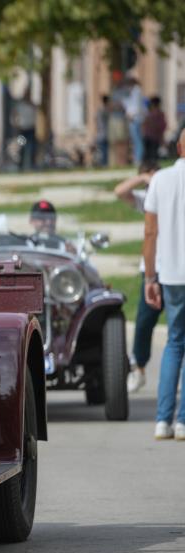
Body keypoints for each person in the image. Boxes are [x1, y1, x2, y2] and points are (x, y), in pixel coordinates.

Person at [143, 128, 185, 440]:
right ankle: (182, 421)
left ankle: (162, 420)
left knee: (174, 343)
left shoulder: (160, 179)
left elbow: (150, 233)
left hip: (170, 274)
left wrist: (149, 277)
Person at [116, 161, 161, 392]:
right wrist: (143, 179)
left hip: (174, 266)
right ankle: (139, 367)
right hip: (152, 267)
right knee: (144, 321)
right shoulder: (145, 199)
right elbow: (119, 192)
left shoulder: (172, 193)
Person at [11, 93, 37, 171]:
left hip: (31, 129)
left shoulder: (32, 105)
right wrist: (16, 126)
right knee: (21, 146)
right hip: (22, 129)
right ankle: (21, 165)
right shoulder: (19, 106)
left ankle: (32, 164)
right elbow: (14, 115)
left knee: (32, 147)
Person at [123, 78, 146, 165]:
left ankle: (138, 159)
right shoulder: (134, 91)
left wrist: (131, 115)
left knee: (137, 140)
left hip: (135, 119)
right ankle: (137, 158)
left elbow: (136, 106)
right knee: (136, 140)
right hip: (134, 118)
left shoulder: (136, 91)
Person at [142, 96, 167, 163]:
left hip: (150, 137)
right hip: (154, 137)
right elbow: (163, 126)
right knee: (153, 155)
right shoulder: (159, 113)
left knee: (150, 154)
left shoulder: (150, 113)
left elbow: (145, 124)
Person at [95, 95, 110, 167]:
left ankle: (103, 164)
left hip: (100, 133)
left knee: (102, 151)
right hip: (104, 134)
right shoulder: (105, 111)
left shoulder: (99, 111)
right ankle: (104, 164)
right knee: (104, 151)